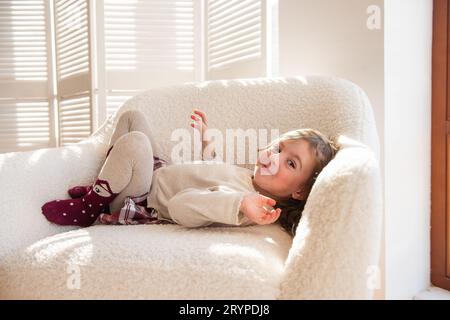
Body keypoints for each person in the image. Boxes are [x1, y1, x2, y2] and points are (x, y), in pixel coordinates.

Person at [41, 109, 339, 236]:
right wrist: (207, 142)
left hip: (144, 199)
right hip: (158, 173)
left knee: (136, 143)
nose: (275, 158)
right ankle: (105, 185)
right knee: (133, 118)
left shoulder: (244, 206)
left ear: (299, 192)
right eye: (279, 149)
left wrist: (239, 204)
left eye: (290, 163)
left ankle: (91, 207)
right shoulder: (247, 178)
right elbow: (214, 174)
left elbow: (182, 206)